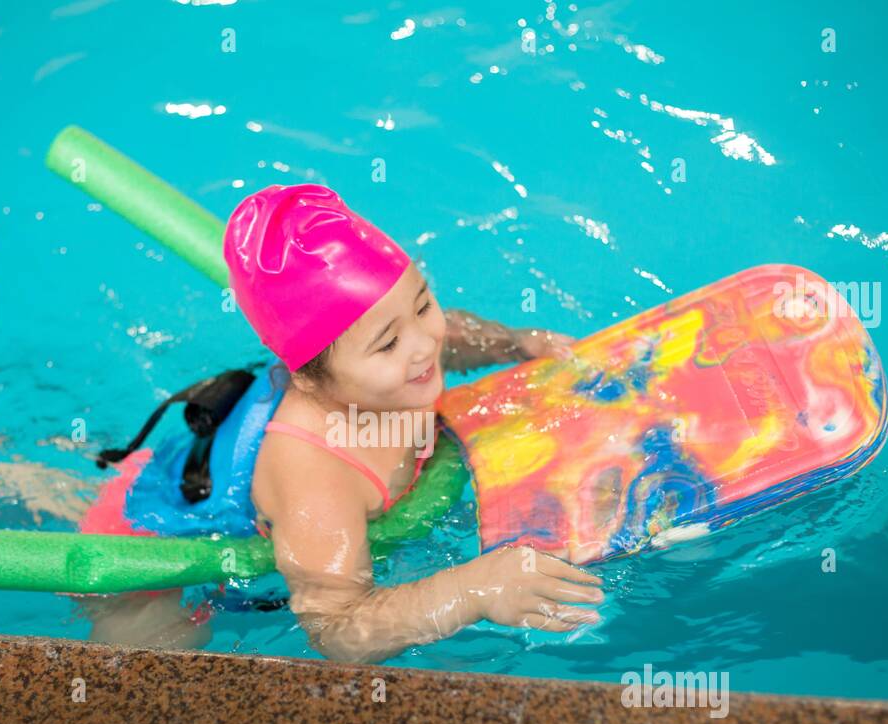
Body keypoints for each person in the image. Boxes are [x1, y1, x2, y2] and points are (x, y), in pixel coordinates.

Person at [223, 184, 604, 664]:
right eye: (387, 344)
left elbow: (454, 334)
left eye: (423, 304)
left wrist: (518, 343)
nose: (425, 345)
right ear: (312, 382)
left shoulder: (406, 350)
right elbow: (337, 628)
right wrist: (473, 589)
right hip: (180, 536)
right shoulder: (315, 472)